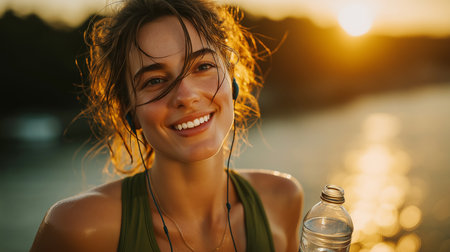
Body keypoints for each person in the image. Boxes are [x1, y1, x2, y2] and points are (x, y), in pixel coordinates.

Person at [30, 0, 303, 251]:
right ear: (130, 112)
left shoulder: (281, 200)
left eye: (202, 66)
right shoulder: (77, 228)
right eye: (155, 81)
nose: (186, 96)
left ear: (232, 80)